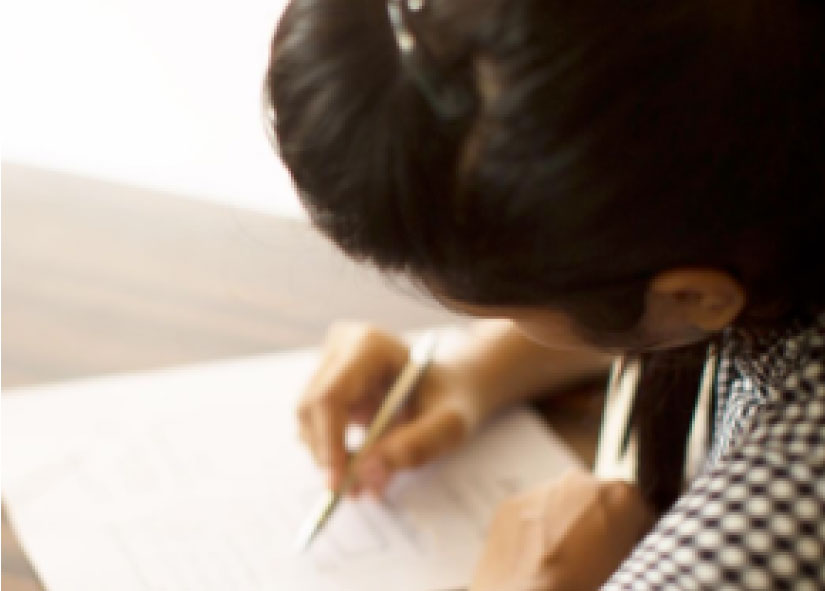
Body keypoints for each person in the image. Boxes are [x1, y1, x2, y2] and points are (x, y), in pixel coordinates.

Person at [263, 0, 825, 588]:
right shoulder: (761, 123)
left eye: (514, 311)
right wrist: (478, 370)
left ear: (691, 297)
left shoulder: (751, 541)